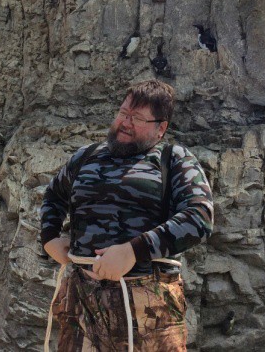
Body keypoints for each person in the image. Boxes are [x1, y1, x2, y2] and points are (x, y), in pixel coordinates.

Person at [40, 79, 214, 351]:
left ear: (161, 128)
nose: (125, 122)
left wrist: (133, 251)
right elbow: (54, 195)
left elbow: (199, 217)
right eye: (123, 113)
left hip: (148, 310)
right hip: (81, 304)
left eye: (138, 118)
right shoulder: (86, 156)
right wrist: (49, 237)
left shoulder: (174, 159)